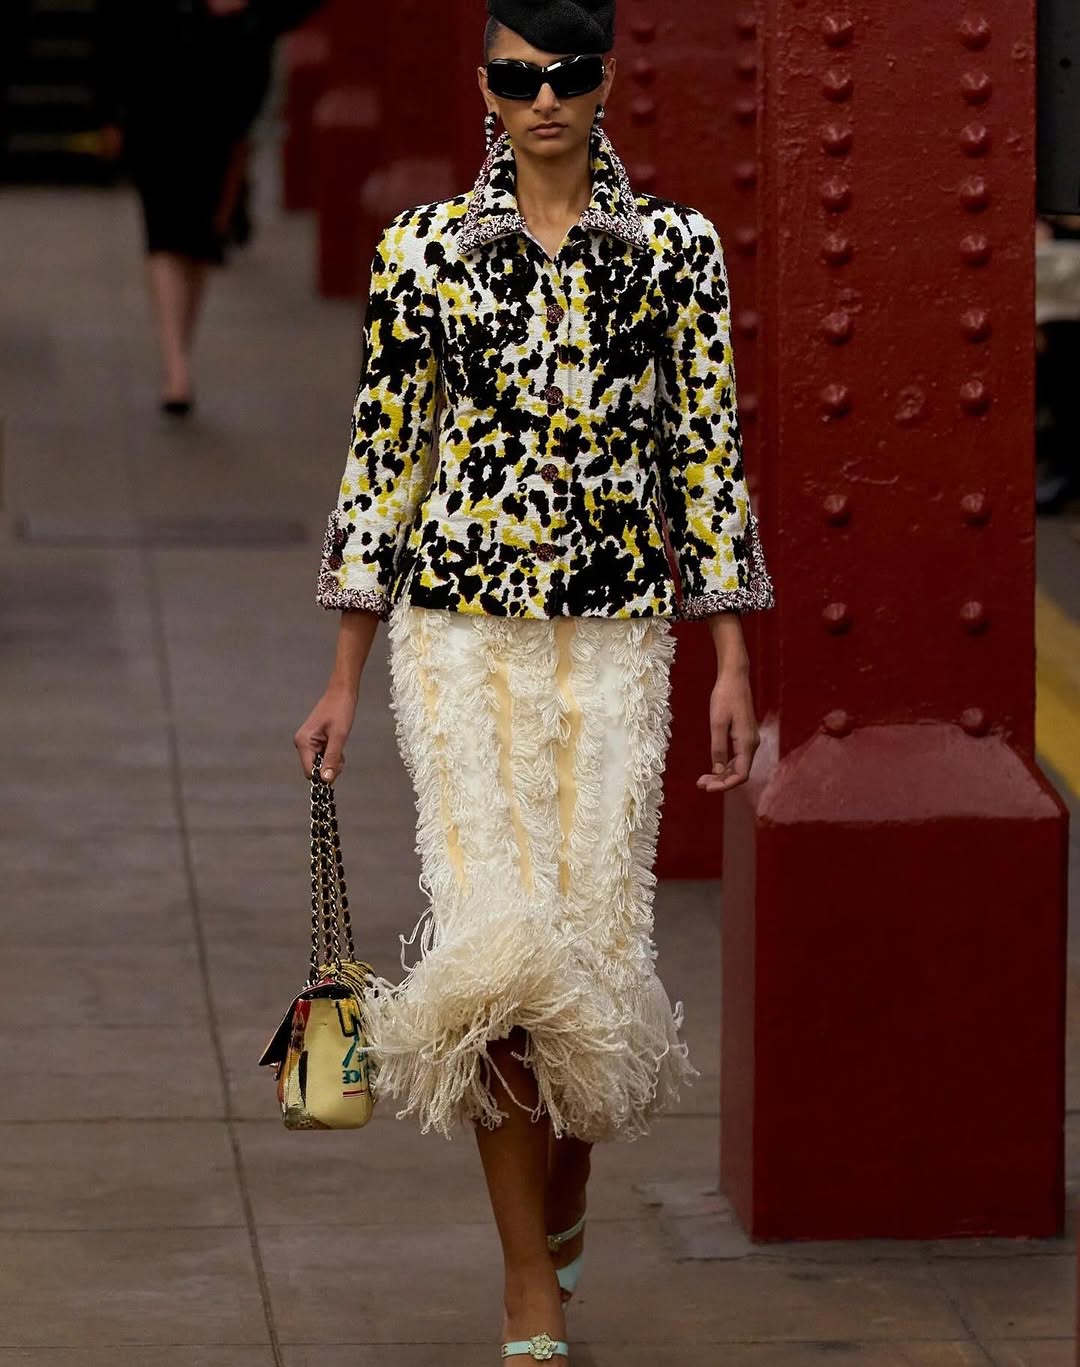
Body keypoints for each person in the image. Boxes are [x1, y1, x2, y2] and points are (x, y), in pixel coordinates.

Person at [294, 1, 776, 1359]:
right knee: (496, 960)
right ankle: (528, 1286)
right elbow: (383, 462)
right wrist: (343, 673)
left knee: (594, 969)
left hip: (619, 643)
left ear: (608, 78)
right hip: (458, 643)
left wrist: (735, 651)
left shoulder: (677, 250)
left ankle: (559, 1195)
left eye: (568, 75)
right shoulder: (425, 252)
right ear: (486, 86)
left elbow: (708, 453)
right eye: (517, 78)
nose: (545, 99)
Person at [95, 0, 324, 416]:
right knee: (163, 235)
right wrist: (109, 111)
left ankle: (178, 349)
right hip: (155, 112)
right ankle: (175, 366)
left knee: (198, 242)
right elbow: (114, 26)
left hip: (220, 121)